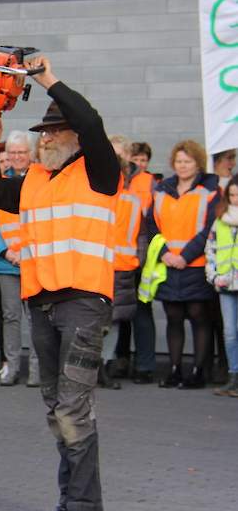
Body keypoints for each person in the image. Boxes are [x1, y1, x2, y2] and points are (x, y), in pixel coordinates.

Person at [0, 56, 120, 511]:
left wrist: (46, 79)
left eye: (55, 131)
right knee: (56, 408)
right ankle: (70, 501)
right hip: (42, 302)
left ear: (75, 138)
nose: (46, 138)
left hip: (83, 302)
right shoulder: (36, 179)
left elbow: (91, 120)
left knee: (73, 408)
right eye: (42, 132)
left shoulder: (100, 170)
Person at [142, 140, 218, 389]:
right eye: (179, 161)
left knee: (198, 315)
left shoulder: (210, 189)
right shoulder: (162, 189)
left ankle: (198, 371)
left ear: (198, 163)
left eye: (188, 161)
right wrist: (165, 253)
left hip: (195, 263)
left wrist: (185, 256)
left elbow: (209, 227)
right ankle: (175, 370)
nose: (183, 166)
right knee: (173, 315)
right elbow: (152, 224)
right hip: (168, 263)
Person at [0, 130, 40, 387]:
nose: (18, 157)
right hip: (6, 263)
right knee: (11, 317)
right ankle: (12, 367)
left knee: (36, 318)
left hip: (35, 264)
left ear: (31, 154)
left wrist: (26, 255)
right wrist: (7, 252)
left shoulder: (42, 182)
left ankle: (38, 370)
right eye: (14, 152)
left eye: (22, 152)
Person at [100, 135, 154, 389]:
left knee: (115, 321)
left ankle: (105, 365)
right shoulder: (97, 197)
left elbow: (141, 235)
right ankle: (98, 366)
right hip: (101, 268)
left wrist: (137, 262)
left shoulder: (131, 200)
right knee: (99, 321)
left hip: (122, 269)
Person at [206, 177, 238, 397]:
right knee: (229, 333)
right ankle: (233, 376)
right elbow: (211, 250)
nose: (236, 199)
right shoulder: (220, 221)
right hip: (226, 284)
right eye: (232, 195)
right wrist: (214, 276)